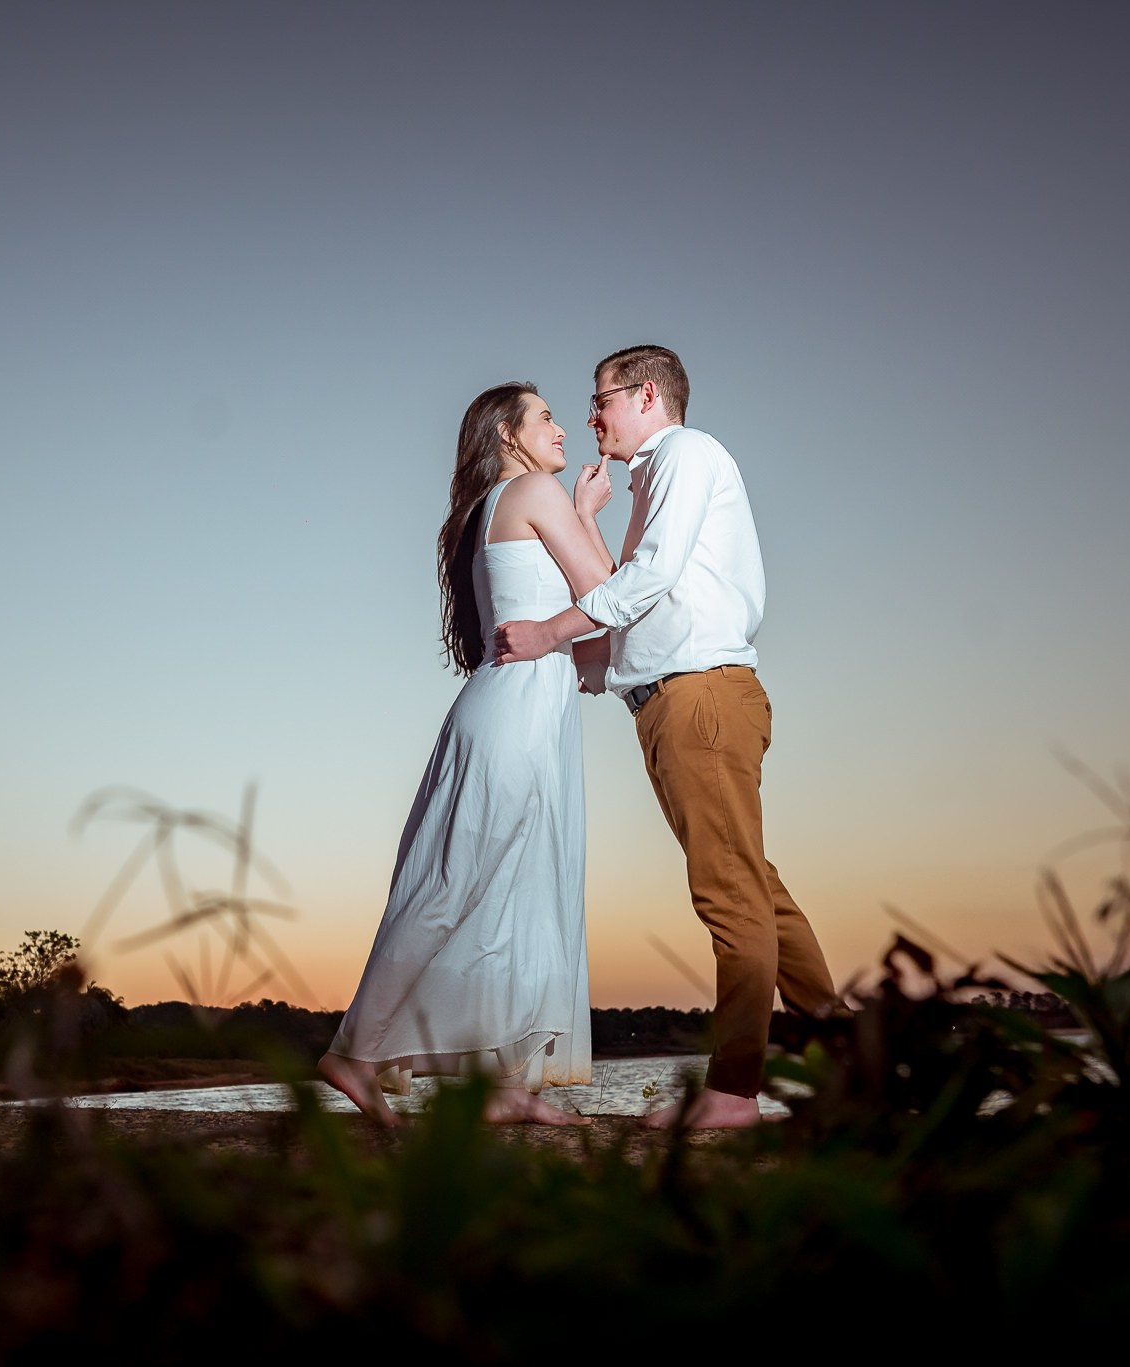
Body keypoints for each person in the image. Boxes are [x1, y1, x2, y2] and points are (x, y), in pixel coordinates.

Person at [493, 345, 843, 1130]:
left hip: (701, 704)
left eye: (600, 400)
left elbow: (646, 578)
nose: (590, 418)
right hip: (675, 707)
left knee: (729, 897)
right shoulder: (658, 473)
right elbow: (643, 590)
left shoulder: (686, 451)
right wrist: (586, 521)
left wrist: (551, 631)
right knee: (759, 892)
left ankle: (733, 1090)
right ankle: (855, 1067)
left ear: (646, 394)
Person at [319, 382, 612, 1127]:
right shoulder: (535, 491)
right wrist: (584, 513)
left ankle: (506, 1085)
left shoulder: (502, 501)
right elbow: (609, 592)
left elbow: (583, 637)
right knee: (456, 881)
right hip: (513, 712)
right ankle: (354, 1049)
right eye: (545, 416)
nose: (561, 428)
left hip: (523, 708)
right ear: (508, 434)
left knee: (519, 889)